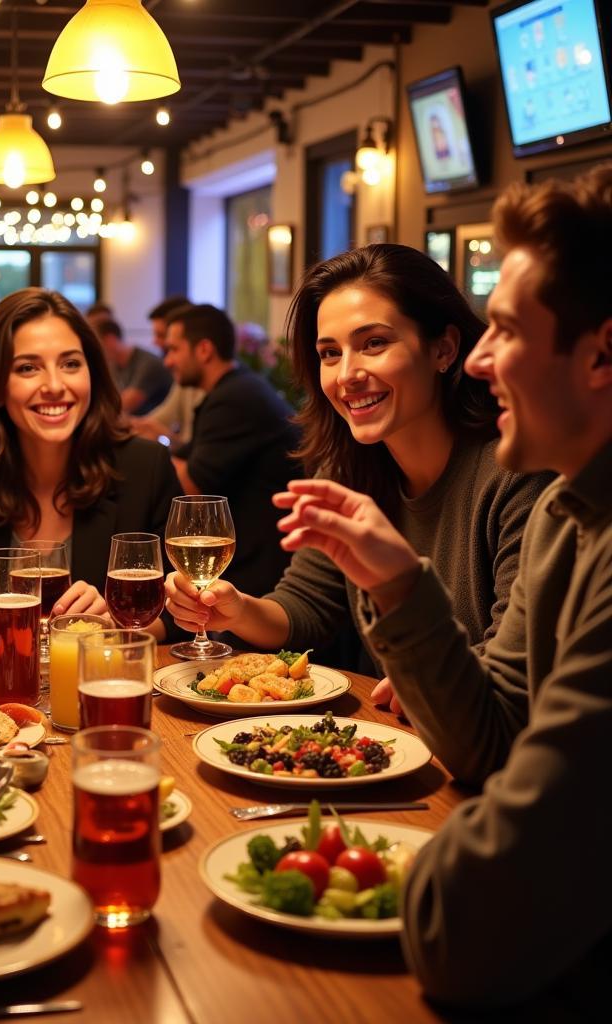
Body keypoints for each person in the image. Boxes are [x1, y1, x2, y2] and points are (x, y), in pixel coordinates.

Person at [273, 167, 611, 1008]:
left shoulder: (552, 509)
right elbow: (497, 739)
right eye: (327, 352)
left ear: (601, 353)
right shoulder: (577, 511)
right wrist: (395, 582)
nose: (486, 359)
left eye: (504, 329)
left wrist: (400, 591)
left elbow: (467, 925)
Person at [166, 246, 551, 677]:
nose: (347, 374)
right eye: (330, 353)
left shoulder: (515, 473)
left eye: (374, 343)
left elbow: (513, 672)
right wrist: (236, 611)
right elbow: (307, 606)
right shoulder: (349, 469)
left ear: (443, 349)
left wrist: (425, 689)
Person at [0, 288, 182, 639]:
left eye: (70, 364)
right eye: (27, 368)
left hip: (104, 681)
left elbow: (181, 613)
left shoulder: (145, 466)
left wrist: (116, 622)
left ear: (92, 373)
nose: (54, 385)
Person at [163, 303, 300, 598]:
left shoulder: (235, 398)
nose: (168, 361)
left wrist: (142, 456)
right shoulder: (233, 388)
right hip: (255, 554)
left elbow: (191, 487)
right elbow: (186, 454)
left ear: (203, 350)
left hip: (265, 571)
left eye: (174, 349)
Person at [131, 295, 203, 450]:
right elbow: (158, 420)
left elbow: (197, 458)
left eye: (161, 335)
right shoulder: (185, 378)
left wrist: (164, 437)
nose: (155, 342)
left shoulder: (222, 393)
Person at [95, 315, 172, 414]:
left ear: (110, 340)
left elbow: (125, 405)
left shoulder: (148, 364)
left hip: (155, 425)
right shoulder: (114, 365)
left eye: (97, 343)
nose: (95, 351)